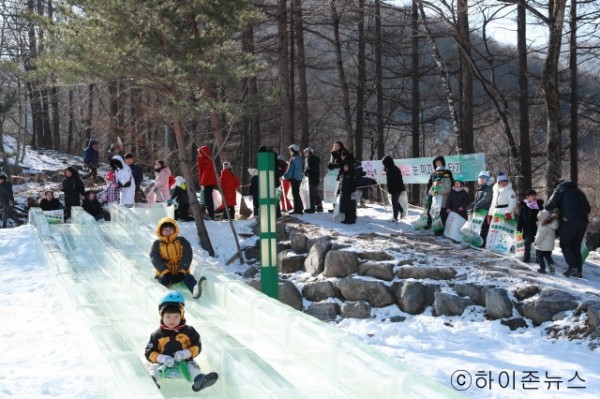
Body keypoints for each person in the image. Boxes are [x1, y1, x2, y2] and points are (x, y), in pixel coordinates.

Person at [144, 291, 218, 392]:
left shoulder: (189, 331)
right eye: (168, 317)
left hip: (184, 362)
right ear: (162, 316)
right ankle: (152, 381)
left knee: (193, 366)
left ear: (181, 315)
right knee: (153, 368)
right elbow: (149, 352)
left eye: (176, 317)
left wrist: (186, 353)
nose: (172, 320)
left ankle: (199, 380)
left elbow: (197, 346)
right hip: (163, 364)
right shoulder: (157, 335)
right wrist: (162, 358)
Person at [544, 180, 591, 278]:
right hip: (583, 221)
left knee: (565, 244)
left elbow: (550, 205)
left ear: (556, 185)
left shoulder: (560, 189)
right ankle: (578, 270)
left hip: (570, 221)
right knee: (576, 245)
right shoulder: (579, 191)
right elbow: (588, 209)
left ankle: (573, 268)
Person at [150, 217, 205, 298]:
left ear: (175, 229)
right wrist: (165, 272)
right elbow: (155, 258)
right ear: (160, 231)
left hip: (181, 272)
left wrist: (182, 271)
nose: (168, 229)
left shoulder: (182, 241)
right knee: (161, 281)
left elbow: (187, 255)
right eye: (165, 228)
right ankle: (161, 296)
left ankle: (195, 290)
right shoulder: (157, 244)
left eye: (170, 227)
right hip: (165, 273)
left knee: (189, 278)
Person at [425, 156, 454, 228]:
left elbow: (451, 183)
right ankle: (430, 222)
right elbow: (430, 183)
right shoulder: (433, 173)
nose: (438, 163)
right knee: (431, 209)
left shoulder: (447, 172)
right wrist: (429, 192)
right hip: (433, 194)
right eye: (436, 162)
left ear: (443, 163)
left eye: (440, 162)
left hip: (443, 196)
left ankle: (442, 226)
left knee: (442, 211)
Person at [516, 189, 544, 263]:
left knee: (537, 244)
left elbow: (543, 217)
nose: (534, 197)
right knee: (527, 244)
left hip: (537, 228)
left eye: (535, 195)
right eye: (532, 196)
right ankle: (526, 257)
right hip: (527, 228)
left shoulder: (539, 206)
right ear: (527, 197)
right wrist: (519, 228)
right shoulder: (524, 206)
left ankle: (539, 259)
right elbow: (521, 218)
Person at [428, 166, 452, 235]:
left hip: (443, 203)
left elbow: (447, 190)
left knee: (442, 217)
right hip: (435, 203)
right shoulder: (436, 180)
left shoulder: (447, 180)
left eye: (441, 171)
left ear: (444, 172)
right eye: (438, 171)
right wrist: (431, 193)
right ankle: (437, 230)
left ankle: (441, 232)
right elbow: (431, 190)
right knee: (435, 217)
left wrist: (437, 192)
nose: (439, 173)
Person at [472, 170, 495, 244]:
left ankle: (483, 242)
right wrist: (473, 205)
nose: (481, 179)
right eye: (480, 177)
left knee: (485, 227)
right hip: (480, 211)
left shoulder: (488, 187)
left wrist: (477, 205)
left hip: (485, 210)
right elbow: (477, 199)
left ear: (487, 179)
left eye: (484, 178)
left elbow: (486, 198)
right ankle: (480, 241)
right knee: (480, 226)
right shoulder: (480, 187)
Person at [533, 210, 559, 274]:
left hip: (542, 245)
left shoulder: (544, 226)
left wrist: (536, 242)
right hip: (549, 246)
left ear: (544, 218)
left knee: (540, 256)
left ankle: (542, 268)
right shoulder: (551, 224)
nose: (539, 219)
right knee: (548, 256)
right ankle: (551, 267)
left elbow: (540, 236)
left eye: (540, 218)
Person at [381, 155, 406, 222]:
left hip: (396, 188)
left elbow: (390, 181)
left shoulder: (390, 169)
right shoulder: (394, 168)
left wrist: (389, 189)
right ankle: (402, 212)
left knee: (394, 202)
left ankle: (395, 217)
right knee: (395, 201)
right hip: (399, 188)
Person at [197, 146, 218, 220]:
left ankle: (211, 215)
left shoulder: (207, 161)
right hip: (207, 182)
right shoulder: (204, 160)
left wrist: (202, 183)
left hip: (208, 183)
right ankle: (210, 214)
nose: (199, 154)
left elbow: (205, 173)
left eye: (200, 152)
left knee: (208, 199)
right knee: (207, 199)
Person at [283, 144, 304, 215]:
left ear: (293, 150)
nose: (289, 151)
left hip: (295, 178)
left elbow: (295, 170)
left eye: (290, 150)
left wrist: (292, 177)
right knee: (295, 193)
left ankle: (298, 209)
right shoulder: (296, 158)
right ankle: (298, 209)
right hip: (295, 178)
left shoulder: (296, 158)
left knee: (295, 194)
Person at [326, 141, 345, 212]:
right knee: (334, 191)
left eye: (337, 146)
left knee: (338, 191)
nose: (336, 147)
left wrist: (333, 165)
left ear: (340, 146)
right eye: (335, 146)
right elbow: (331, 162)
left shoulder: (342, 153)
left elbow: (342, 164)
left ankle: (339, 208)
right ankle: (334, 207)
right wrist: (329, 166)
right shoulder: (333, 153)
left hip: (340, 174)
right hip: (333, 174)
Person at [303, 147, 321, 213]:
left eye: (306, 151)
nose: (304, 153)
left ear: (309, 152)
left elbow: (314, 169)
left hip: (312, 179)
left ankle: (312, 209)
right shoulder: (308, 159)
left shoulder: (312, 159)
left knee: (312, 194)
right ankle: (318, 206)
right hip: (310, 178)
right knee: (314, 193)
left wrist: (307, 171)